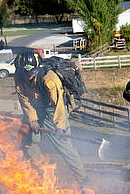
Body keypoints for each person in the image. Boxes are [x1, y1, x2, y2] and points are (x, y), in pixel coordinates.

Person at [14, 49, 87, 186]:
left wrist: (59, 126)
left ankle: (82, 178)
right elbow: (24, 99)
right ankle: (41, 172)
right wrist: (33, 119)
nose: (27, 77)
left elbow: (58, 103)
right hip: (36, 106)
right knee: (29, 139)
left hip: (53, 108)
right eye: (24, 73)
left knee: (63, 144)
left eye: (30, 73)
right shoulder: (19, 76)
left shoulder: (49, 79)